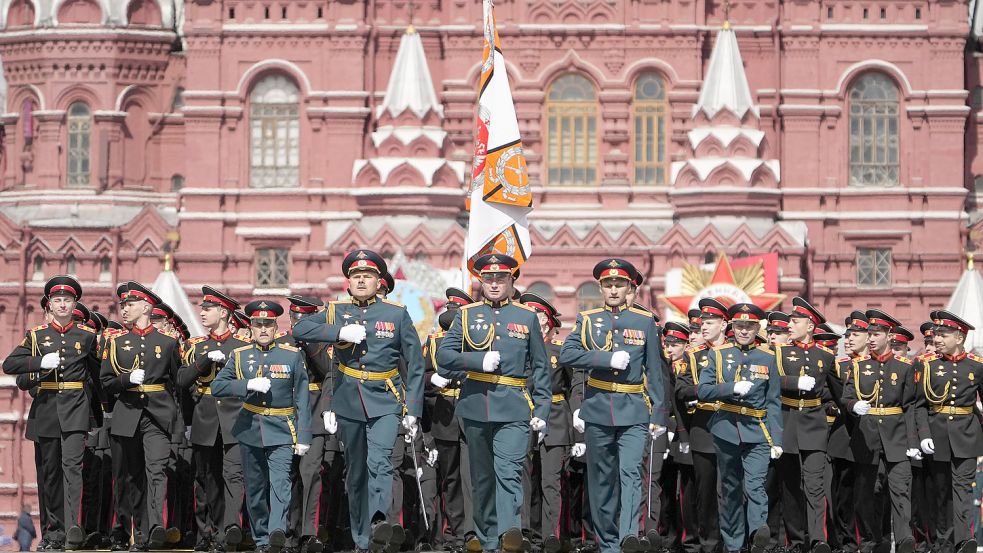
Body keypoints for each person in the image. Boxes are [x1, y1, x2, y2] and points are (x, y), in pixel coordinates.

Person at [293, 249, 425, 553]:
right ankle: (362, 539)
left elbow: (415, 364)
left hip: (386, 399)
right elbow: (300, 328)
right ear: (348, 283)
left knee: (380, 463)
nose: (361, 280)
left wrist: (413, 410)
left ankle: (379, 520)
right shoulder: (335, 310)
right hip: (349, 399)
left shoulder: (395, 313)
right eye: (356, 276)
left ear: (379, 281)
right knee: (355, 472)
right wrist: (338, 331)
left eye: (367, 275)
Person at [436, 254, 552, 553]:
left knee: (510, 472)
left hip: (513, 405)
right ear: (481, 282)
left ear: (512, 281)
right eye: (489, 279)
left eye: (501, 278)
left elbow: (540, 366)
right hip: (475, 404)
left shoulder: (526, 317)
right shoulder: (466, 315)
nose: (495, 284)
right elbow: (444, 358)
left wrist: (541, 409)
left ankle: (508, 534)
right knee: (482, 476)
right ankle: (487, 539)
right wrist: (477, 360)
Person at [559, 258, 667, 553]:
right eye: (609, 284)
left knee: (631, 472)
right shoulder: (587, 319)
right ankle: (607, 542)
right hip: (598, 407)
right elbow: (567, 354)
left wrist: (659, 413)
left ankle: (628, 535)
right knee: (601, 478)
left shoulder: (645, 322)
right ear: (601, 288)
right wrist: (603, 359)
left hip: (633, 407)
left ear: (630, 287)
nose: (614, 289)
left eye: (620, 284)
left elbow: (655, 372)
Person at [3, 276, 101, 551]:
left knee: (72, 469)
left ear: (74, 304)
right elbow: (10, 364)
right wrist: (38, 362)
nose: (62, 304)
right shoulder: (37, 336)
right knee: (50, 474)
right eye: (57, 300)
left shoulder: (87, 336)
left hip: (75, 410)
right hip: (46, 409)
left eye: (67, 300)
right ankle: (53, 532)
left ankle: (72, 529)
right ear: (50, 304)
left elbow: (98, 377)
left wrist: (101, 416)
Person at [212, 300, 312, 553]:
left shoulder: (291, 355)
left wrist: (303, 435)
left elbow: (302, 396)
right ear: (251, 328)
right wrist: (246, 385)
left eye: (268, 324)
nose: (263, 329)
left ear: (275, 327)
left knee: (280, 484)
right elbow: (217, 387)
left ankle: (276, 532)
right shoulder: (239, 355)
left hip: (281, 427)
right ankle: (261, 539)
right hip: (250, 428)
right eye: (258, 325)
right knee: (255, 489)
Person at [99, 282, 182, 551]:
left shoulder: (168, 343)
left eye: (130, 305)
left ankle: (154, 528)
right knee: (131, 477)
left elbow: (177, 381)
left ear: (146, 307)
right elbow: (106, 382)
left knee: (156, 471)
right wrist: (126, 380)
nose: (124, 309)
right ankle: (136, 532)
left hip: (157, 416)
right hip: (128, 414)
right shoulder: (116, 342)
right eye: (123, 305)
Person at [697, 303, 782, 553]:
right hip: (726, 429)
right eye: (740, 326)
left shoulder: (768, 357)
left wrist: (777, 438)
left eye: (750, 326)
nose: (744, 331)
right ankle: (734, 544)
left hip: (758, 430)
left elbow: (774, 400)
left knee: (755, 485)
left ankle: (757, 534)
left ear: (758, 328)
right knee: (730, 489)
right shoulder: (719, 354)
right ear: (732, 327)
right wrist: (729, 388)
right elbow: (703, 390)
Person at [176, 287, 250, 552]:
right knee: (205, 480)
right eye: (202, 309)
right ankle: (204, 533)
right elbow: (182, 381)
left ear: (224, 313)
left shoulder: (242, 347)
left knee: (232, 477)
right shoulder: (197, 346)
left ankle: (227, 531)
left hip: (234, 419)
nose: (203, 313)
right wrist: (204, 361)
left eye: (208, 309)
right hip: (204, 418)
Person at [841, 309, 918, 553]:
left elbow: (911, 406)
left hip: (897, 438)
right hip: (867, 438)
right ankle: (870, 541)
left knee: (900, 490)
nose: (871, 338)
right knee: (866, 495)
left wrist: (914, 441)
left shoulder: (905, 367)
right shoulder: (859, 366)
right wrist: (855, 405)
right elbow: (847, 397)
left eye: (876, 333)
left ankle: (905, 539)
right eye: (869, 333)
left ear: (888, 335)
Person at [773, 297, 837, 553]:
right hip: (787, 422)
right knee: (789, 487)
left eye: (796, 321)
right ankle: (796, 540)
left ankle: (818, 539)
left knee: (815, 485)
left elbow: (835, 391)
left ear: (810, 326)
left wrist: (846, 405)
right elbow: (771, 382)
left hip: (814, 424)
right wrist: (793, 383)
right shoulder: (780, 352)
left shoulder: (825, 355)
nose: (790, 324)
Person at [915, 310, 983, 553]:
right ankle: (944, 542)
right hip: (937, 436)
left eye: (944, 334)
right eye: (937, 334)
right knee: (941, 493)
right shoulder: (928, 365)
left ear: (960, 337)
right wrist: (923, 436)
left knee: (963, 489)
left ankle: (964, 541)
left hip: (966, 435)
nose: (938, 339)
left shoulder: (977, 366)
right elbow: (920, 406)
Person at [519, 292, 570, 553]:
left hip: (556, 420)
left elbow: (573, 390)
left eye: (535, 316)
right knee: (524, 480)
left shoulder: (560, 352)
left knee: (550, 481)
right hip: (524, 416)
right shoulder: (518, 349)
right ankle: (526, 533)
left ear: (547, 323)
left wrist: (576, 434)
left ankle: (551, 536)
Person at [425, 288, 475, 553]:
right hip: (445, 415)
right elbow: (418, 377)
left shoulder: (479, 342)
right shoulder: (433, 343)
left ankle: (473, 531)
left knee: (472, 476)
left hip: (471, 411)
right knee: (451, 478)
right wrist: (432, 379)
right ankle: (456, 532)